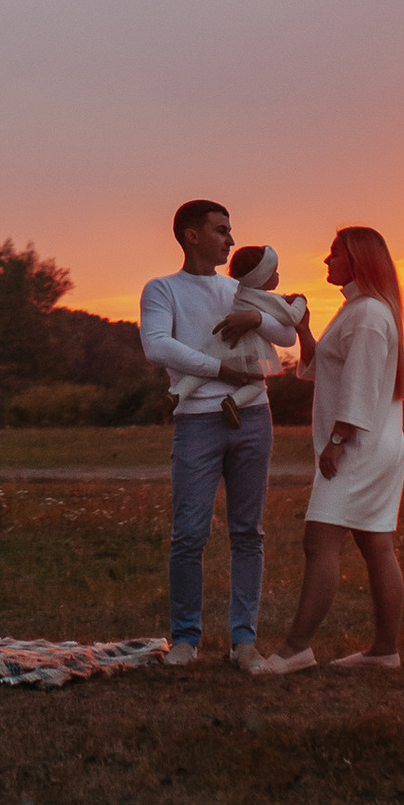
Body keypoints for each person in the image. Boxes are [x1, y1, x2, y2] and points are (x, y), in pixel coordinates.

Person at [138, 201, 311, 670]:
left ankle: (243, 642)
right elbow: (157, 345)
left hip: (254, 419)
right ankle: (186, 640)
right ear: (191, 235)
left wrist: (255, 320)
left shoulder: (239, 289)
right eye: (221, 231)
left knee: (248, 533)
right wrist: (222, 370)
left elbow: (286, 334)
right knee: (189, 534)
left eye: (230, 231)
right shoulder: (162, 290)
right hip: (197, 422)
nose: (231, 241)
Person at [253, 226, 404, 674]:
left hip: (358, 448)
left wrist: (338, 441)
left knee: (319, 541)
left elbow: (358, 385)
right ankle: (384, 651)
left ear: (357, 259)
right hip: (374, 445)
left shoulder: (367, 314)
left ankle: (295, 649)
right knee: (376, 545)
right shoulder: (361, 309)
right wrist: (303, 328)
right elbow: (326, 367)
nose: (326, 260)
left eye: (334, 253)